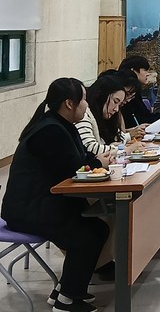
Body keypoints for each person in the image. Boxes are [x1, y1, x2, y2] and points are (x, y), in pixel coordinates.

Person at [1, 78, 108, 312]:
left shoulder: (61, 125)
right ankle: (67, 300)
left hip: (43, 204)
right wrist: (98, 163)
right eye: (83, 100)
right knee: (86, 235)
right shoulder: (50, 130)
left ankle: (65, 290)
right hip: (28, 211)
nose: (86, 105)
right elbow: (73, 170)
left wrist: (97, 161)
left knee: (97, 228)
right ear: (69, 103)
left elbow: (80, 159)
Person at [76, 74, 130, 164]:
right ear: (101, 95)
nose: (116, 109)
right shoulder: (84, 114)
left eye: (119, 105)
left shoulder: (104, 116)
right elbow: (91, 148)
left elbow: (118, 137)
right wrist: (125, 150)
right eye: (115, 102)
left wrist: (117, 145)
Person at [118, 55, 160, 126]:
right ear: (133, 71)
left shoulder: (136, 91)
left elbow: (145, 115)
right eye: (145, 70)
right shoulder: (125, 92)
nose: (148, 74)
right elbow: (139, 119)